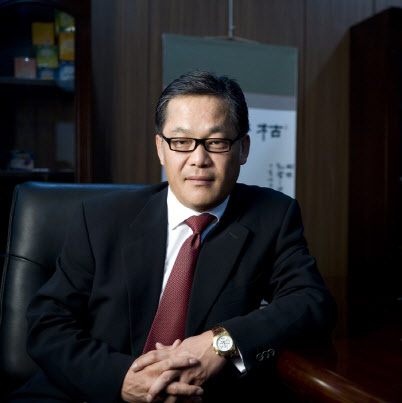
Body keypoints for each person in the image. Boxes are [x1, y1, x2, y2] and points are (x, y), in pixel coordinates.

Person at [10, 70, 336, 403]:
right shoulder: (99, 218)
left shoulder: (272, 216)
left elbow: (311, 301)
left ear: (243, 149)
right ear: (161, 149)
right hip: (91, 393)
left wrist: (221, 342)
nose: (199, 159)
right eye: (181, 143)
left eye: (216, 142)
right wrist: (120, 380)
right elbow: (48, 324)